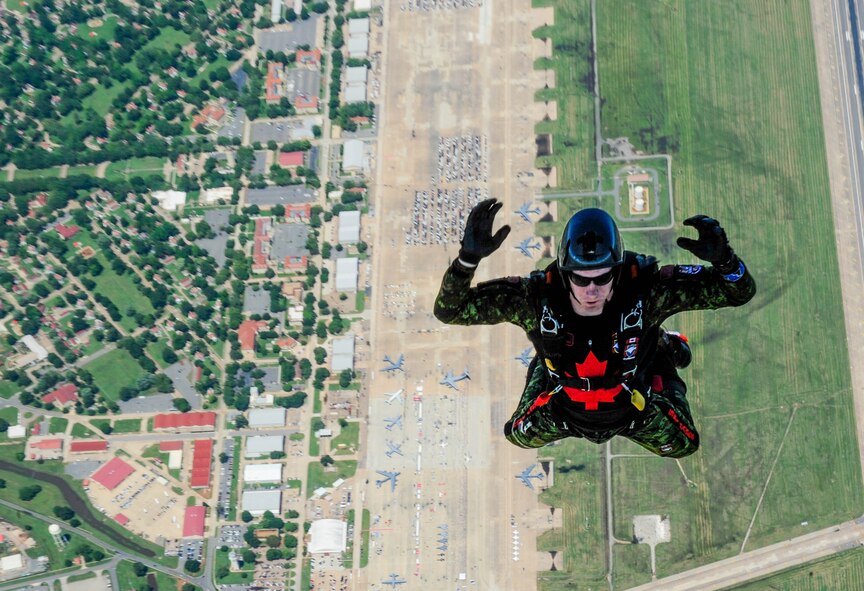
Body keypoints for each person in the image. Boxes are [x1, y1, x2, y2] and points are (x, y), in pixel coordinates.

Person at [434, 199, 756, 458]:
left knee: (685, 445)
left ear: (617, 271)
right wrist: (466, 261)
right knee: (516, 435)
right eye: (580, 278)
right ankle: (549, 369)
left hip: (634, 406)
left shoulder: (647, 292)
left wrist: (725, 259)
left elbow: (738, 291)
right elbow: (451, 310)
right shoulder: (536, 300)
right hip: (564, 408)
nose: (592, 291)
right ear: (564, 273)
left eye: (602, 278)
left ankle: (661, 353)